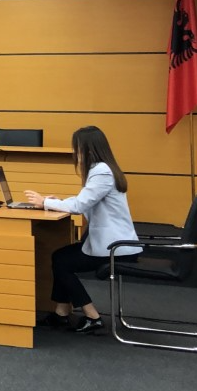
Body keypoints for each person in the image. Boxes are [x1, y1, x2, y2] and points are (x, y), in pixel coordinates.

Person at [25, 125, 141, 334]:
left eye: (77, 148)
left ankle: (92, 316)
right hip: (111, 243)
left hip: (115, 247)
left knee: (62, 261)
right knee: (60, 257)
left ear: (88, 149)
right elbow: (85, 201)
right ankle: (61, 313)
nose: (75, 153)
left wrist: (45, 202)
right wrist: (57, 202)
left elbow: (80, 205)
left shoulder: (101, 172)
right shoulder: (103, 169)